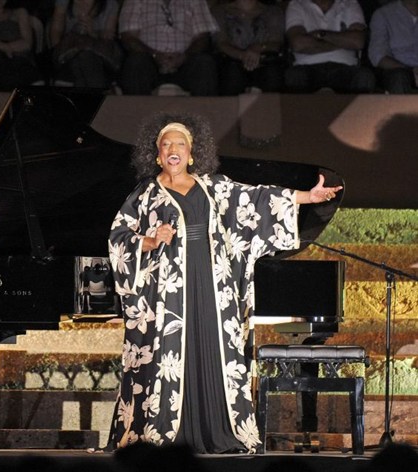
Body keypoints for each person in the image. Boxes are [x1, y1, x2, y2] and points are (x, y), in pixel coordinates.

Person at [105, 114, 342, 453]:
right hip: (168, 296)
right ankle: (164, 433)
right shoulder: (145, 195)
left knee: (216, 351)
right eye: (166, 145)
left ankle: (221, 431)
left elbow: (258, 200)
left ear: (191, 153)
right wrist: (149, 240)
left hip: (214, 287)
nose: (174, 150)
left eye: (180, 144)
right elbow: (118, 238)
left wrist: (306, 197)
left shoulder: (213, 186)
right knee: (169, 356)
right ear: (156, 155)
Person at [117, 0, 219, 96]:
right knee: (136, 62)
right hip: (149, 62)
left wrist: (184, 57)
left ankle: (203, 112)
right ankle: (136, 112)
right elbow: (129, 37)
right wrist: (155, 55)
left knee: (204, 62)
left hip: (185, 62)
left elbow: (202, 38)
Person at [283, 0, 376, 93]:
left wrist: (321, 34)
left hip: (346, 67)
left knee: (365, 76)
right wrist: (343, 40)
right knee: (294, 75)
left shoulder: (350, 3)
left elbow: (358, 41)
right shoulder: (297, 4)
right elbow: (298, 44)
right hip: (306, 67)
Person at [211, 0, 287, 94]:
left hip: (265, 61)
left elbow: (276, 42)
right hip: (230, 61)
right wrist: (242, 55)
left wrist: (257, 48)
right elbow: (221, 42)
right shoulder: (219, 11)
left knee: (272, 74)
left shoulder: (273, 11)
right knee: (231, 74)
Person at [48, 0, 122, 90]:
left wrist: (93, 32)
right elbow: (56, 31)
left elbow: (109, 36)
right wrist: (58, 52)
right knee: (80, 59)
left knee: (85, 58)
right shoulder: (64, 2)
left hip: (98, 54)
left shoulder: (110, 4)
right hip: (69, 53)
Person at [368, 0, 418, 94]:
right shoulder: (384, 14)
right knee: (398, 77)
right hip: (398, 70)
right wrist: (410, 72)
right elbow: (378, 56)